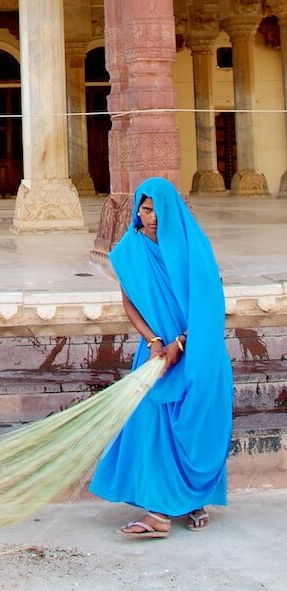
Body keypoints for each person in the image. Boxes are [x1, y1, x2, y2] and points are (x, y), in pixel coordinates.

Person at [89, 176, 233, 538]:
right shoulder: (130, 249)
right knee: (154, 425)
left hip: (199, 351)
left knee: (196, 427)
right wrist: (154, 341)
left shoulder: (191, 246)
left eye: (157, 209)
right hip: (156, 352)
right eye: (145, 208)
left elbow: (210, 306)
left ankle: (192, 499)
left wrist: (180, 345)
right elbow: (130, 301)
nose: (151, 217)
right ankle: (158, 512)